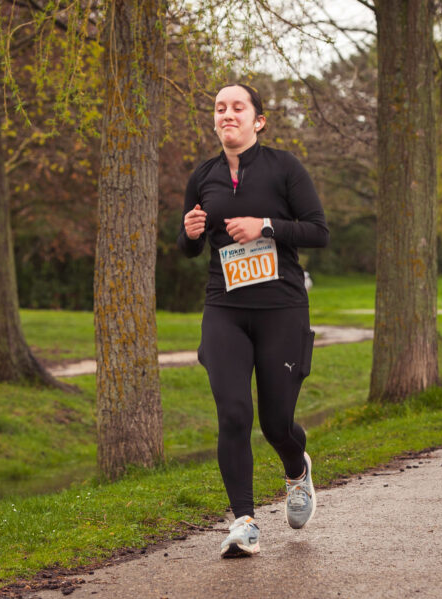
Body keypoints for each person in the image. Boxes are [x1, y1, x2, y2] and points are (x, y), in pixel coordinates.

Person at [177, 83, 329, 557]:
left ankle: (296, 470)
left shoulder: (285, 167)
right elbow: (189, 247)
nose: (227, 114)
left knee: (276, 423)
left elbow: (318, 231)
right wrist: (188, 233)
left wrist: (266, 225)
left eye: (237, 107)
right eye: (220, 108)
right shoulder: (204, 176)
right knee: (234, 413)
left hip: (281, 309)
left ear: (257, 120)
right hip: (224, 308)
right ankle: (244, 522)